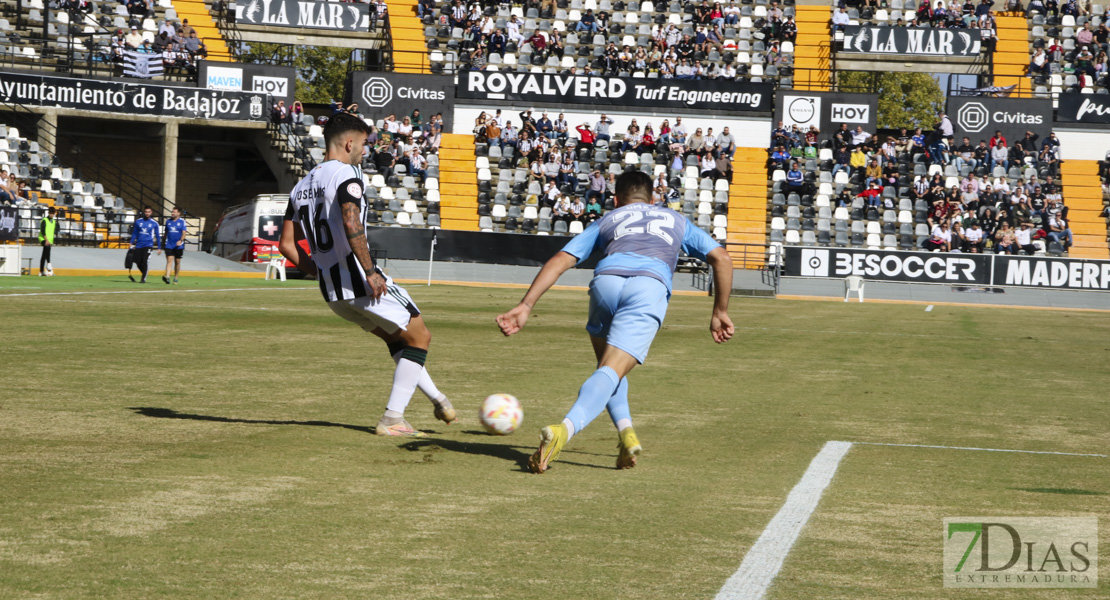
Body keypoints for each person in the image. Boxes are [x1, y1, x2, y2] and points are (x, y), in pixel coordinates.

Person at [496, 171, 735, 473]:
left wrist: (525, 305)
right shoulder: (676, 220)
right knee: (610, 371)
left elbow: (560, 260)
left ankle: (626, 434)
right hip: (648, 287)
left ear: (616, 199)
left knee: (607, 369)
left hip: (606, 283)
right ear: (654, 199)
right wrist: (720, 311)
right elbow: (722, 259)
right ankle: (563, 431)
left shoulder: (608, 219)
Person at [278, 113, 455, 437]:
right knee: (420, 336)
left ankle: (439, 400)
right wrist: (371, 271)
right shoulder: (348, 175)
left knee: (398, 338)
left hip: (333, 293)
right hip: (360, 280)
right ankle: (393, 419)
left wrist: (321, 271)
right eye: (363, 144)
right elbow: (351, 223)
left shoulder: (299, 187)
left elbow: (287, 246)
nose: (365, 151)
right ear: (349, 143)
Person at [130, 206, 161, 283]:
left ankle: (143, 278)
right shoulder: (138, 221)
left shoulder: (154, 223)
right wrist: (131, 242)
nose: (147, 213)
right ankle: (144, 272)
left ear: (151, 212)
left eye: (149, 212)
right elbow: (134, 233)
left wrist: (159, 247)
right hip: (139, 245)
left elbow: (157, 236)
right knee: (137, 261)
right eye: (146, 212)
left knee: (145, 261)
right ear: (144, 212)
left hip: (148, 245)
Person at [162, 206, 187, 284]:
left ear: (178, 213)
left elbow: (184, 233)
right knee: (169, 260)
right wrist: (163, 242)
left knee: (177, 261)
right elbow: (165, 233)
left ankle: (176, 277)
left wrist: (180, 240)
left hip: (178, 245)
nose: (172, 213)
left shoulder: (182, 222)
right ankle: (167, 277)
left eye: (174, 212)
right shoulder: (168, 221)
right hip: (169, 244)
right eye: (172, 212)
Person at [38, 206, 58, 276]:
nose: (52, 214)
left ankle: (41, 271)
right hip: (43, 239)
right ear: (48, 213)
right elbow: (43, 231)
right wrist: (46, 240)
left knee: (44, 255)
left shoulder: (54, 221)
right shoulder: (44, 220)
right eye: (51, 213)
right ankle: (49, 264)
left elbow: (57, 229)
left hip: (50, 240)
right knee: (47, 248)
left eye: (53, 213)